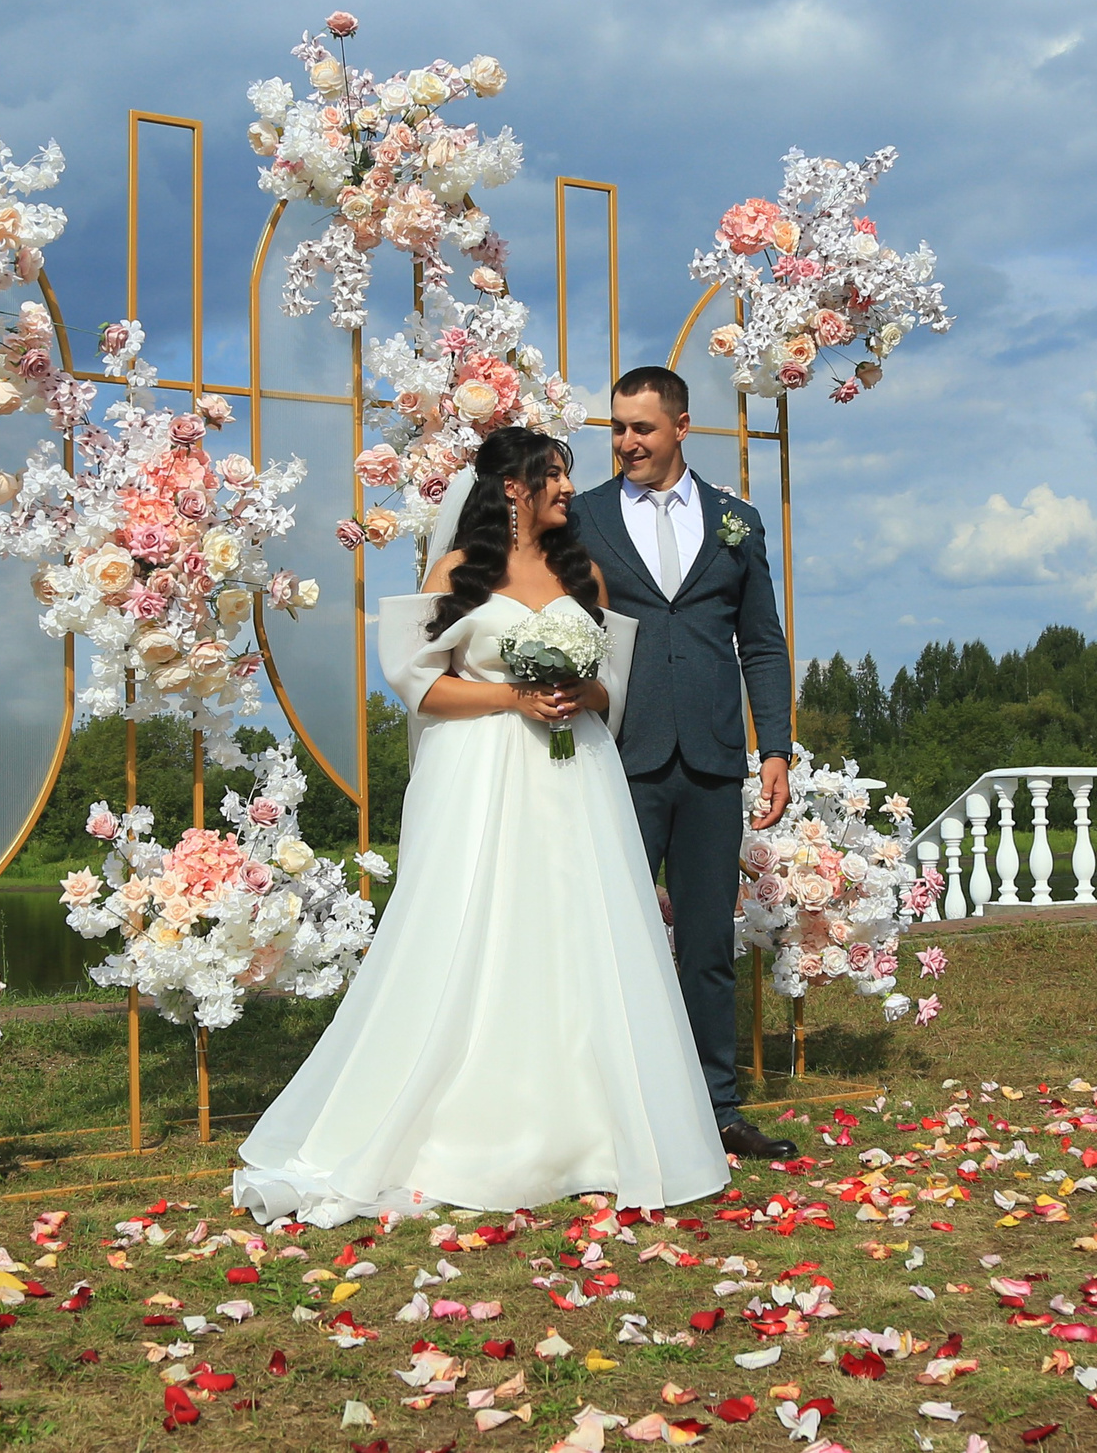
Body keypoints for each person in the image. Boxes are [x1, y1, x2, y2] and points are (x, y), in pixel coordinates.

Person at [230, 426, 729, 1227]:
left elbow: (613, 684)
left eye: (566, 475)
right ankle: (468, 1124)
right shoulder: (458, 572)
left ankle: (593, 1134)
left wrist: (581, 693)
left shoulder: (583, 573)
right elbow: (419, 685)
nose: (567, 488)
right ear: (512, 488)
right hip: (483, 773)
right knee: (479, 926)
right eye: (553, 476)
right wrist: (514, 697)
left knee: (576, 931)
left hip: (576, 775)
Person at [569, 366, 799, 1162]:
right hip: (616, 758)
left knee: (706, 945)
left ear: (680, 427)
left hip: (710, 761)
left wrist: (775, 746)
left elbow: (761, 643)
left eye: (641, 427)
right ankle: (613, 1112)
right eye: (617, 427)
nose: (626, 442)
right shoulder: (584, 517)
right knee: (614, 940)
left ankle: (716, 1108)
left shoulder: (738, 521)